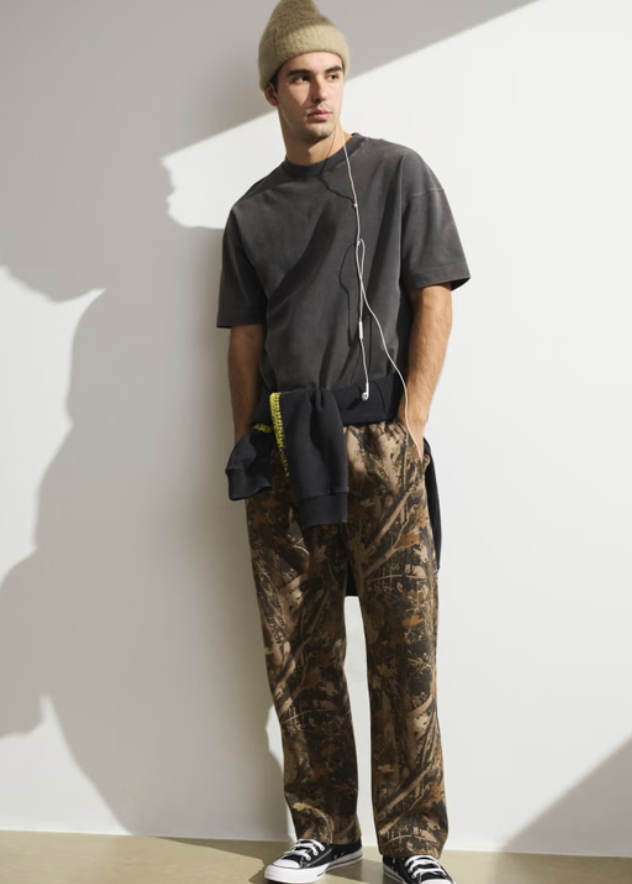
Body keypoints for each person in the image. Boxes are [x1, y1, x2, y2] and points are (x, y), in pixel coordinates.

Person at [216, 2, 471, 882]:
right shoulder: (251, 213)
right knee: (299, 648)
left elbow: (435, 294)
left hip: (380, 443)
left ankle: (413, 844)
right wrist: (249, 444)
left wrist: (410, 429)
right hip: (287, 445)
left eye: (331, 74)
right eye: (299, 77)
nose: (319, 92)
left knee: (405, 650)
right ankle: (326, 828)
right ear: (272, 91)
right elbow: (244, 342)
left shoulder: (399, 175)